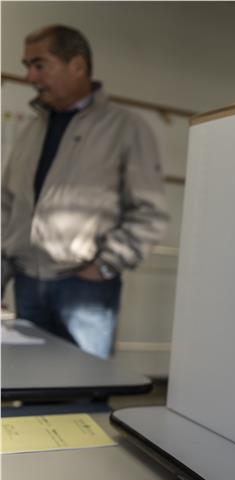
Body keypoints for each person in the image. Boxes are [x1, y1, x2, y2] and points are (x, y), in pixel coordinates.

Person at [1, 25, 168, 358]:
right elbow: (6, 205)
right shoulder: (31, 131)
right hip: (27, 284)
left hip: (85, 290)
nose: (30, 76)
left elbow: (149, 213)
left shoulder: (126, 128)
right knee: (30, 382)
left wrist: (104, 267)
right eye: (27, 66)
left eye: (39, 65)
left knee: (85, 384)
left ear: (77, 65)